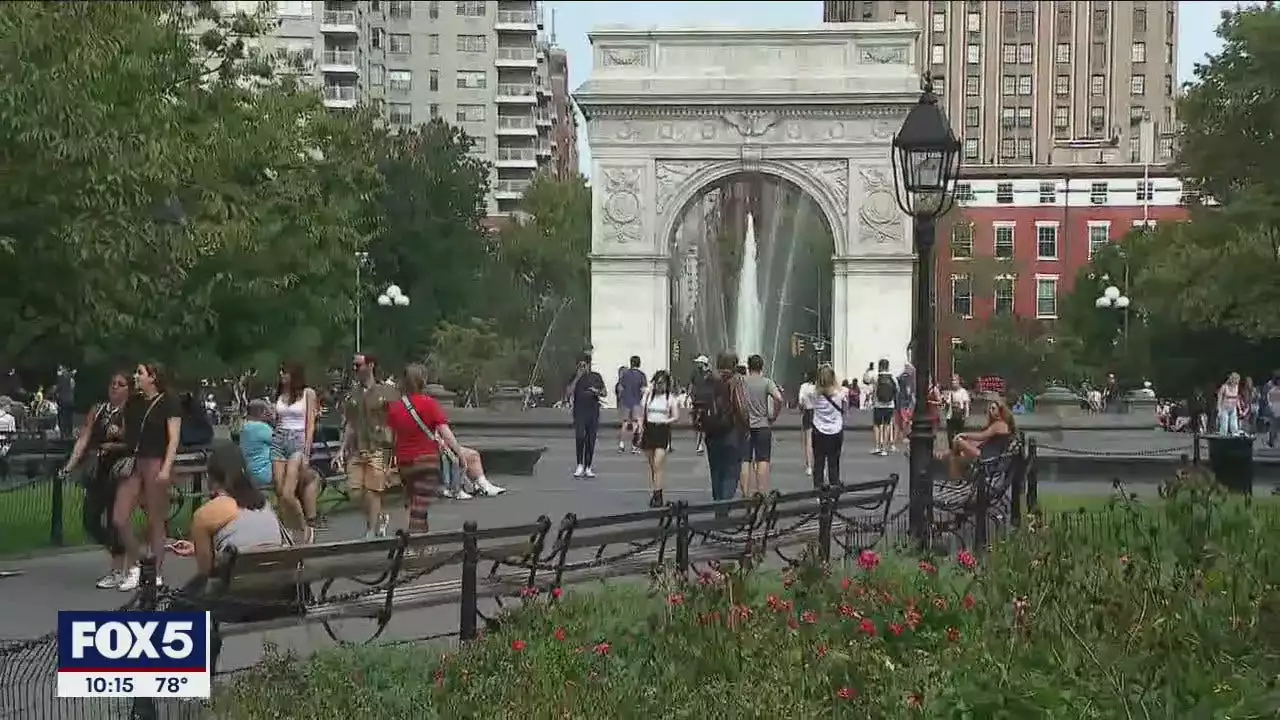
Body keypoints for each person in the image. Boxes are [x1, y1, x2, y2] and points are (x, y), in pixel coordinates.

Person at [166, 441, 290, 672]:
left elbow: (206, 571)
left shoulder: (206, 514)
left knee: (181, 603)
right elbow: (250, 543)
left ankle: (193, 676)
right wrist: (198, 547)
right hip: (278, 597)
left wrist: (201, 550)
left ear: (211, 476)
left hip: (238, 603)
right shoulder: (263, 502)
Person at [113, 362, 182, 591]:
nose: (136, 375)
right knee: (120, 517)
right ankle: (140, 563)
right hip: (134, 461)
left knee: (155, 519)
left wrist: (166, 468)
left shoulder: (168, 401)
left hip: (156, 460)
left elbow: (173, 438)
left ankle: (156, 572)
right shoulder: (134, 402)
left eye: (140, 373)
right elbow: (129, 431)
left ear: (153, 377)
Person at [60, 371, 131, 589]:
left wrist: (117, 441)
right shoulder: (98, 410)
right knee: (90, 518)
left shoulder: (132, 412)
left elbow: (137, 442)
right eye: (113, 383)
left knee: (114, 520)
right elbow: (84, 438)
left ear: (129, 388)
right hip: (99, 469)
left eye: (121, 384)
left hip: (121, 470)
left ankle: (118, 570)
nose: (115, 387)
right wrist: (70, 465)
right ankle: (124, 553)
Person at [386, 364, 469, 535]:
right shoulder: (429, 404)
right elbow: (445, 432)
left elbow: (389, 438)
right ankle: (414, 545)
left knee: (415, 504)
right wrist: (459, 453)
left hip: (405, 463)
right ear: (423, 380)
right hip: (426, 461)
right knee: (420, 507)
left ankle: (420, 544)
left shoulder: (395, 407)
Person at [336, 354, 400, 539]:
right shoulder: (352, 394)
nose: (355, 369)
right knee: (354, 491)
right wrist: (341, 449)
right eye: (354, 366)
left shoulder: (387, 392)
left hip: (378, 448)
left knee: (374, 490)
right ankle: (379, 516)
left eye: (358, 365)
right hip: (357, 448)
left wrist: (395, 447)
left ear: (370, 365)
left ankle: (370, 530)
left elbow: (396, 420)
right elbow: (350, 424)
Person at [692, 352, 749, 506]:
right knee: (731, 471)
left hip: (711, 432)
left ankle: (717, 503)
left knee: (716, 470)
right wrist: (746, 426)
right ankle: (723, 508)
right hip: (731, 432)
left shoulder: (708, 379)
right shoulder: (735, 381)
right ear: (734, 365)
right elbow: (742, 406)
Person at [272, 362, 319, 542]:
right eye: (281, 372)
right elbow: (277, 420)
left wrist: (306, 451)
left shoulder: (308, 394)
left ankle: (303, 526)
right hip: (279, 439)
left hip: (297, 440)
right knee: (278, 488)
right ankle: (287, 530)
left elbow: (310, 423)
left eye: (286, 372)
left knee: (287, 492)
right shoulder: (280, 395)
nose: (282, 375)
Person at [740, 354, 782, 496]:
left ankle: (745, 494)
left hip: (745, 426)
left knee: (745, 460)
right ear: (762, 367)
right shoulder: (766, 382)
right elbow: (779, 398)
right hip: (763, 425)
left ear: (748, 367)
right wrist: (774, 415)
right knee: (762, 459)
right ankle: (762, 493)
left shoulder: (742, 382)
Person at [945, 398, 1015, 480]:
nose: (990, 411)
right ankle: (957, 473)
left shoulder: (999, 424)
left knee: (958, 442)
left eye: (993, 409)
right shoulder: (1002, 424)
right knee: (956, 454)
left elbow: (981, 436)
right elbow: (985, 440)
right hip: (992, 455)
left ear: (1000, 410)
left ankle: (955, 477)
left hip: (988, 457)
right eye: (989, 408)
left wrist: (963, 434)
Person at [638, 370, 678, 508]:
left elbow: (676, 416)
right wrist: (640, 427)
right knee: (652, 466)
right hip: (649, 429)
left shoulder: (670, 398)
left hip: (662, 430)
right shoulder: (648, 396)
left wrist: (666, 421)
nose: (659, 386)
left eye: (662, 383)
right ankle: (656, 491)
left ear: (667, 384)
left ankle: (657, 494)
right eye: (657, 383)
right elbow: (641, 413)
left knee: (658, 462)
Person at [567, 353, 606, 478]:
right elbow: (568, 392)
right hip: (579, 411)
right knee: (580, 436)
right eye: (580, 365)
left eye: (585, 364)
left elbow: (604, 392)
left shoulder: (596, 376)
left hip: (593, 411)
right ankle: (580, 464)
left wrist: (597, 391)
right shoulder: (575, 376)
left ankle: (588, 466)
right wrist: (577, 377)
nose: (583, 367)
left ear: (589, 364)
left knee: (591, 439)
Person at [809, 365, 847, 488]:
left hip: (819, 430)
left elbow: (803, 401)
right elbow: (845, 405)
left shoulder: (813, 394)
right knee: (833, 463)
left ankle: (818, 490)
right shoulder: (840, 394)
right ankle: (834, 486)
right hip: (836, 431)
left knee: (819, 463)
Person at [238, 399, 274, 488]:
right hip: (265, 473)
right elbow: (280, 443)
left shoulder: (245, 427)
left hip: (248, 473)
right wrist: (273, 419)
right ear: (262, 412)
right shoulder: (262, 428)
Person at [615, 356, 647, 454]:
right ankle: (634, 445)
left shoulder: (625, 374)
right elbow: (643, 390)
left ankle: (621, 444)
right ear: (639, 363)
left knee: (624, 424)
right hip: (636, 401)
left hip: (626, 401)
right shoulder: (641, 375)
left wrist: (621, 399)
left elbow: (620, 388)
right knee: (635, 424)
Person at [870, 359, 897, 456]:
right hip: (890, 405)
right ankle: (884, 449)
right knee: (887, 426)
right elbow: (896, 390)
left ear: (880, 366)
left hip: (878, 405)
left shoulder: (876, 377)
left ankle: (877, 446)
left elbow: (866, 380)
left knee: (877, 425)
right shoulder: (892, 377)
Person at [688, 355, 712, 454]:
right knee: (697, 424)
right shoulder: (695, 372)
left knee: (704, 425)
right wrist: (688, 396)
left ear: (703, 363)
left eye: (699, 362)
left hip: (706, 402)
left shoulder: (710, 374)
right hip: (696, 401)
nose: (697, 364)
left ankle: (701, 444)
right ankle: (699, 443)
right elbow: (691, 384)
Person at [797, 369, 817, 477]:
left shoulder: (804, 387)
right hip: (818, 413)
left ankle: (809, 466)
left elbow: (801, 401)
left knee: (808, 441)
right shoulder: (818, 386)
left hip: (808, 413)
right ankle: (819, 466)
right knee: (818, 442)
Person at [943, 374, 971, 446]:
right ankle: (952, 448)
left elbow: (966, 404)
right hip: (951, 415)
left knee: (960, 434)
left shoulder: (963, 392)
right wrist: (945, 401)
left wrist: (966, 414)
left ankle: (960, 449)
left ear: (958, 381)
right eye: (952, 380)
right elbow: (947, 403)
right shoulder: (950, 392)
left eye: (955, 380)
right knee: (950, 435)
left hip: (959, 415)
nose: (953, 382)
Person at [1216, 372, 1243, 436]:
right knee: (1224, 426)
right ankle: (1222, 437)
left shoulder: (1236, 387)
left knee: (1234, 426)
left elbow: (1237, 398)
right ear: (1232, 380)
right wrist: (1219, 408)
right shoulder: (1224, 387)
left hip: (1233, 408)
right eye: (1236, 380)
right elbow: (1219, 398)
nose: (1237, 382)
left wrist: (1240, 409)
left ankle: (1234, 439)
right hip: (1224, 408)